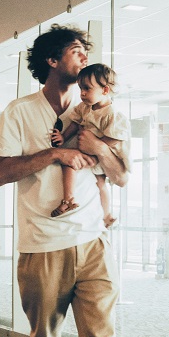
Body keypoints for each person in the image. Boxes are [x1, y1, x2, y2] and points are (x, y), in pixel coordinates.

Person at [0, 24, 152, 337]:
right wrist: (57, 153)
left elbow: (120, 176)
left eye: (85, 53)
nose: (84, 59)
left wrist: (97, 146)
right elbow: (1, 173)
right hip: (43, 242)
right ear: (52, 60)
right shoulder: (20, 112)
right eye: (76, 52)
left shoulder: (105, 114)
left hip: (93, 239)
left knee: (101, 334)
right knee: (45, 336)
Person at [50, 63, 131, 228]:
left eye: (87, 89)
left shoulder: (112, 114)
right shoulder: (85, 108)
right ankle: (68, 199)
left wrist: (96, 150)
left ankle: (107, 215)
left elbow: (116, 138)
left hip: (100, 156)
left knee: (101, 184)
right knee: (69, 164)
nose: (82, 93)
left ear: (105, 90)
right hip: (87, 152)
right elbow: (74, 123)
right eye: (80, 89)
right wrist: (63, 136)